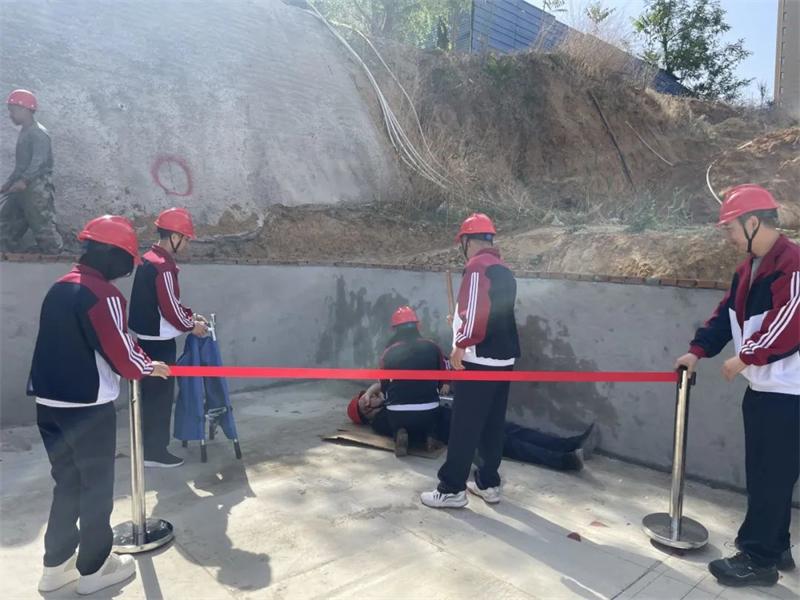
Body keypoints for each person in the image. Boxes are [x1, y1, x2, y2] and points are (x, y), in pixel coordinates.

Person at [28, 215, 170, 595]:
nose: (127, 270)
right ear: (111, 254)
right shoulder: (102, 294)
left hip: (48, 404)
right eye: (126, 260)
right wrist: (149, 366)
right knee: (96, 488)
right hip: (87, 409)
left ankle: (56, 566)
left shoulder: (59, 287)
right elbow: (122, 354)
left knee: (67, 484)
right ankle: (95, 568)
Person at [674, 184, 798, 588]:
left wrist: (747, 356)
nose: (727, 236)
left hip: (790, 393)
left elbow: (790, 321)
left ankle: (758, 560)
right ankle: (775, 546)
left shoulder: (792, 264)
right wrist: (697, 351)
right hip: (765, 389)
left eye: (730, 227)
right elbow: (725, 313)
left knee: (771, 475)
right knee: (767, 474)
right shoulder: (750, 268)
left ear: (754, 222)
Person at [421, 213, 520, 508]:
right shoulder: (504, 270)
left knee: (464, 426)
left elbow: (477, 311)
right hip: (503, 360)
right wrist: (459, 322)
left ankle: (451, 489)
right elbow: (492, 314)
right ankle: (488, 483)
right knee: (492, 424)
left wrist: (460, 343)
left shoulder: (477, 267)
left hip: (478, 360)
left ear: (467, 241)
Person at [129, 208, 208, 468]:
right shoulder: (163, 267)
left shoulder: (148, 259)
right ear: (174, 236)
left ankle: (147, 448)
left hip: (146, 340)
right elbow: (170, 309)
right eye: (185, 238)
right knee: (159, 399)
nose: (186, 244)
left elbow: (169, 304)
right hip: (159, 344)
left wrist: (189, 315)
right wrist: (192, 325)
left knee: (149, 397)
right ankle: (155, 453)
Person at [347, 305, 447, 456]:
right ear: (418, 326)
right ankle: (430, 434)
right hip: (429, 409)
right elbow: (443, 379)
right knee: (436, 418)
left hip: (398, 413)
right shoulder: (433, 347)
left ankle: (399, 433)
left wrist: (388, 397)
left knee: (387, 423)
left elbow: (385, 386)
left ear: (394, 330)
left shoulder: (389, 352)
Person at [0, 89, 63, 253]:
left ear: (25, 110)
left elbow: (39, 161)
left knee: (41, 223)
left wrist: (24, 180)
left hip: (37, 188)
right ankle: (5, 251)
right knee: (7, 221)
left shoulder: (38, 133)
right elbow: (21, 165)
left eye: (13, 111)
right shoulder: (26, 131)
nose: (10, 115)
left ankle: (54, 255)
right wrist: (9, 183)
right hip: (23, 186)